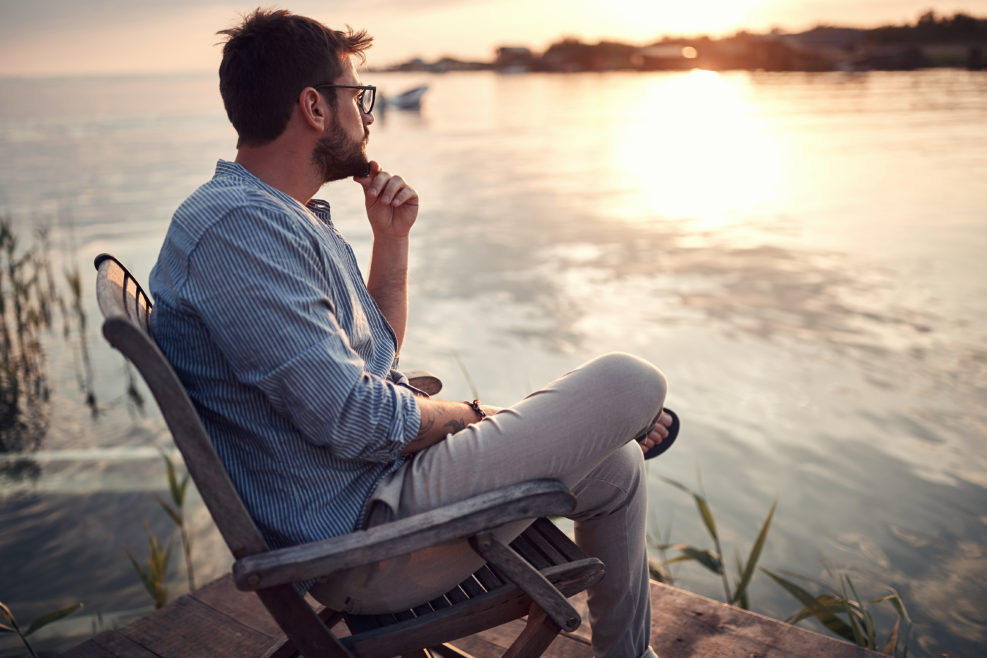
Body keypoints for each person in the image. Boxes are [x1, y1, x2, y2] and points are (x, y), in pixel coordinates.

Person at [148, 8, 677, 657]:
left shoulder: (275, 218)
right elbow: (355, 418)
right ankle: (616, 415)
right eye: (356, 95)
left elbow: (369, 366)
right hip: (367, 538)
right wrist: (473, 417)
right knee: (631, 379)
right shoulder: (239, 231)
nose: (366, 115)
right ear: (314, 107)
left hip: (379, 496)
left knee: (616, 464)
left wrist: (390, 244)